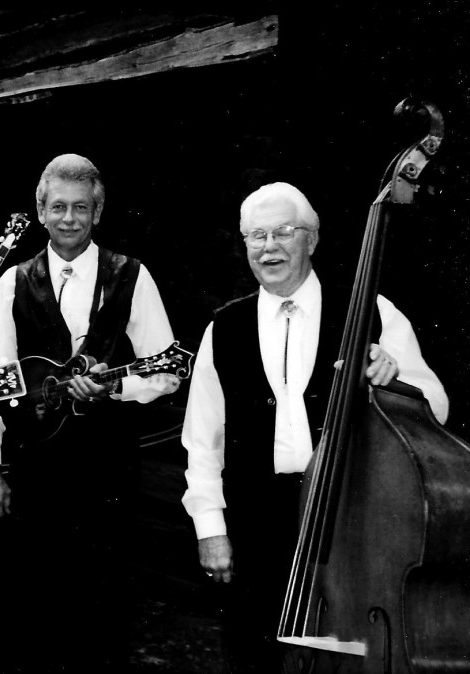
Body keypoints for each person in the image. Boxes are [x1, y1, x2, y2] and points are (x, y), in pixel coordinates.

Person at [181, 181, 449, 672]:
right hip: (257, 526)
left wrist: (395, 380)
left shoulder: (372, 310)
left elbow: (437, 405)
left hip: (350, 519)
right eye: (257, 235)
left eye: (284, 232)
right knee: (255, 657)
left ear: (312, 239)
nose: (269, 247)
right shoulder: (222, 329)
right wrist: (210, 529)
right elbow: (203, 442)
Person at [0, 153, 181, 671]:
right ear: (41, 211)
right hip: (34, 468)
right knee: (35, 606)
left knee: (104, 607)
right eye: (59, 207)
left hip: (108, 467)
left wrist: (116, 389)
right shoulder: (15, 280)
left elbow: (167, 371)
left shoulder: (132, 276)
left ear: (98, 212)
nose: (69, 218)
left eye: (81, 207)